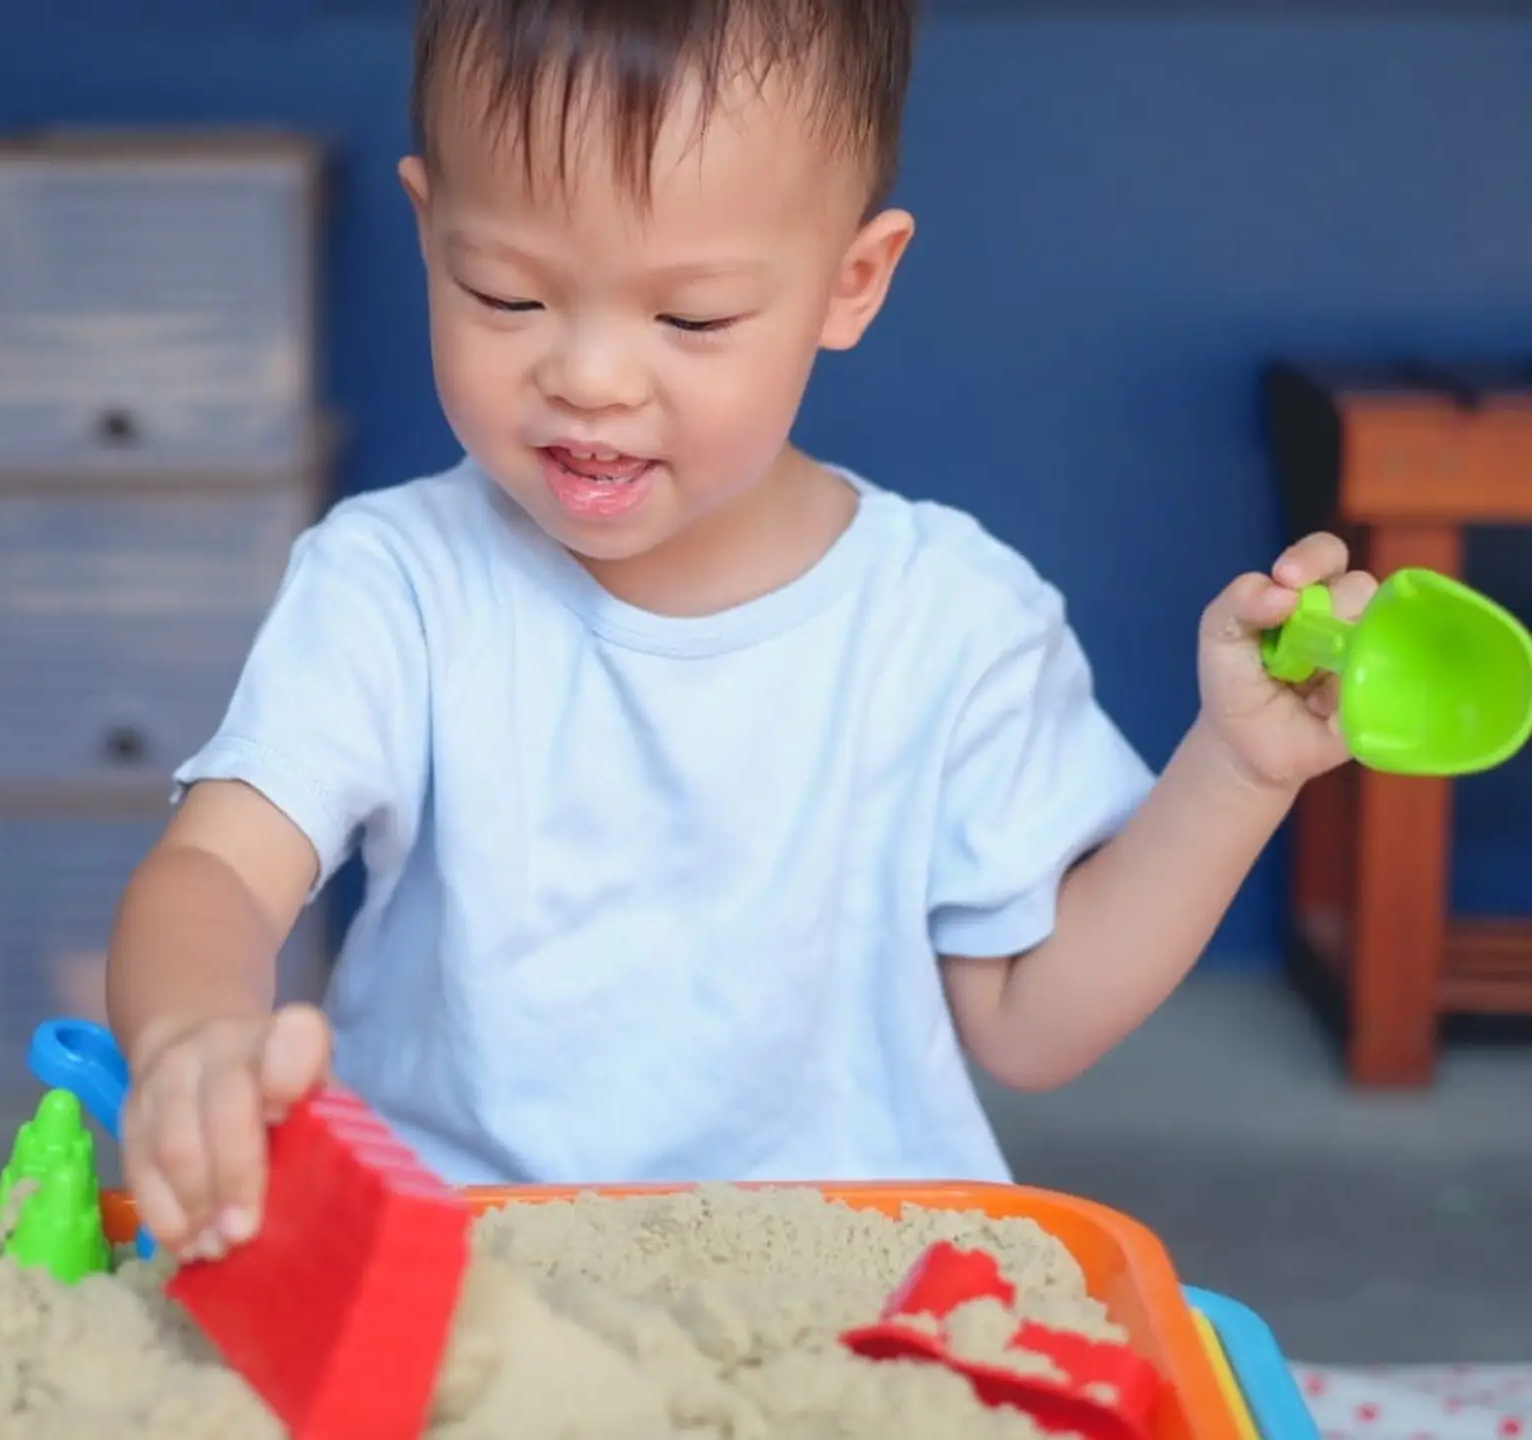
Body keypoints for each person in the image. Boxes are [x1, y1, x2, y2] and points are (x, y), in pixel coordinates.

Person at [104, 0, 1373, 1262]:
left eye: (692, 317)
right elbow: (216, 868)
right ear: (431, 230)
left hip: (845, 1280)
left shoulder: (946, 619)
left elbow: (1035, 1026)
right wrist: (190, 1038)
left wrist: (1238, 772)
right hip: (456, 1266)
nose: (591, 377)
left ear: (850, 282)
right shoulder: (397, 583)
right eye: (505, 295)